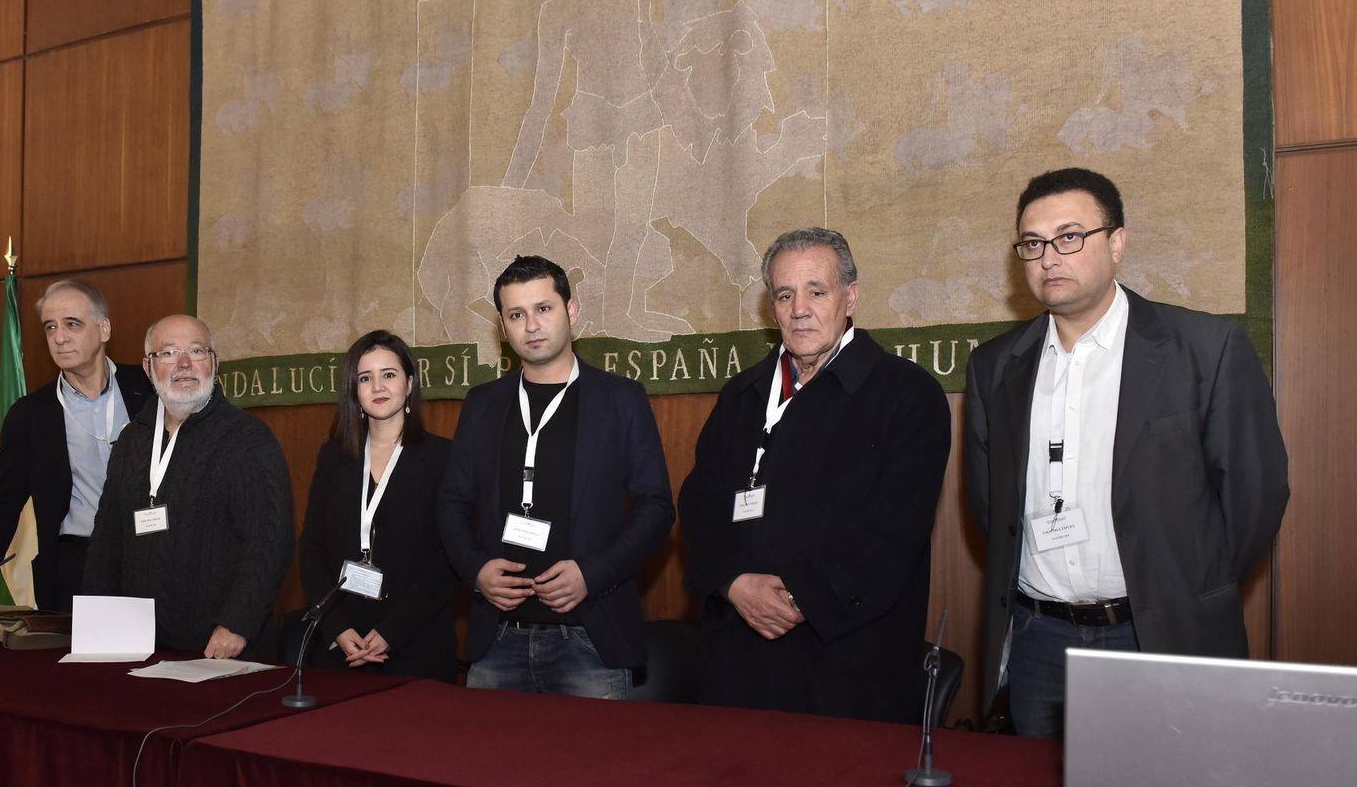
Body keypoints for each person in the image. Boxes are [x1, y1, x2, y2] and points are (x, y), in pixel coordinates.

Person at [966, 167, 1290, 738]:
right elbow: (991, 506)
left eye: (1070, 237)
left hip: (1160, 633)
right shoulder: (995, 367)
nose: (1049, 257)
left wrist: (1185, 586)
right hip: (1039, 638)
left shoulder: (1205, 350)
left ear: (1116, 243)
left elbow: (1255, 495)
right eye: (1033, 243)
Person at [679, 228, 951, 722]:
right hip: (739, 658)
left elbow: (894, 533)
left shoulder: (908, 396)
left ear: (851, 298)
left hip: (846, 667)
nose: (799, 308)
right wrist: (732, 582)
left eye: (816, 291)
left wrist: (799, 598)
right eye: (785, 295)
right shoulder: (742, 394)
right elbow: (700, 506)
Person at [437, 255, 675, 698]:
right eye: (516, 314)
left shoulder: (621, 399)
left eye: (543, 308)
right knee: (483, 768)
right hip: (497, 638)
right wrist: (476, 569)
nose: (531, 325)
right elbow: (452, 503)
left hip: (590, 638)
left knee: (594, 769)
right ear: (502, 327)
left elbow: (656, 508)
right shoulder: (483, 404)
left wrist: (592, 574)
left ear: (572, 310)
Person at [0, 280, 151, 619]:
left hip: (153, 559)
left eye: (72, 324)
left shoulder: (149, 390)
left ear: (103, 329)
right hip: (76, 568)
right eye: (50, 327)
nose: (59, 337)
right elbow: (2, 504)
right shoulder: (32, 415)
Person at [82, 315, 293, 660]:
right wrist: (94, 623)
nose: (183, 364)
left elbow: (270, 543)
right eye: (167, 354)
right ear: (148, 368)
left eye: (196, 351)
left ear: (214, 363)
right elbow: (106, 542)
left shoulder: (248, 440)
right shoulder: (132, 440)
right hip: (135, 646)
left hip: (219, 649)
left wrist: (237, 624)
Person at [299, 330, 457, 682]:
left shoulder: (443, 458)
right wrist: (335, 628)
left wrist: (392, 633)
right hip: (341, 645)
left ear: (410, 383)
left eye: (389, 375)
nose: (378, 387)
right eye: (365, 378)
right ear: (354, 391)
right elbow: (311, 549)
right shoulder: (333, 457)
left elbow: (447, 561)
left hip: (416, 644)